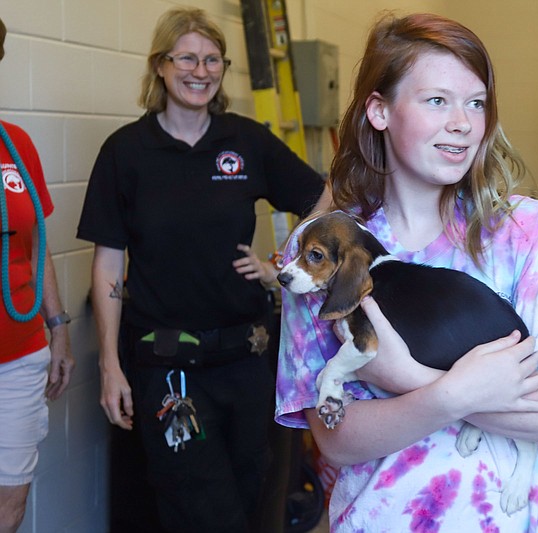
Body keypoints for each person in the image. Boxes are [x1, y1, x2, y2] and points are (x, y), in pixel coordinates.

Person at [275, 12, 538, 532]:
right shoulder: (326, 248)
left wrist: (408, 378)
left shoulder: (528, 234)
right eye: (437, 100)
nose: (463, 122)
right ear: (380, 111)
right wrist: (453, 393)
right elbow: (336, 440)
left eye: (476, 103)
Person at [76, 7, 329, 533]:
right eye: (187, 57)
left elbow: (324, 202)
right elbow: (108, 264)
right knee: (198, 507)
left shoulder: (246, 141)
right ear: (161, 66)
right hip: (168, 368)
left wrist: (281, 266)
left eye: (213, 59)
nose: (201, 70)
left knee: (254, 497)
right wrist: (109, 365)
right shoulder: (126, 152)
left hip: (248, 362)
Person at [0, 16, 75, 533]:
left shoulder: (16, 144)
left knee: (10, 505)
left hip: (19, 356)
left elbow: (37, 245)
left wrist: (59, 327)